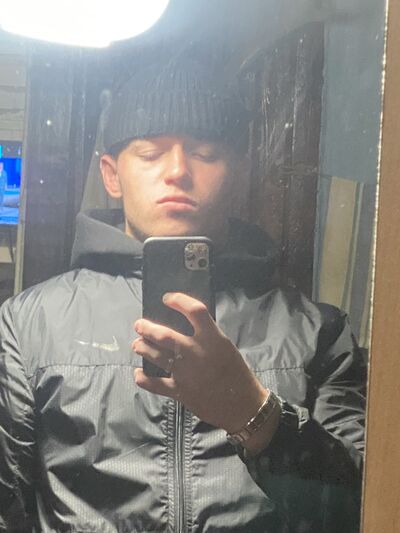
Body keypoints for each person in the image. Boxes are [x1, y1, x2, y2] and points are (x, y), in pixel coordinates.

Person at [0, 58, 365, 532]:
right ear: (111, 175)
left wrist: (254, 414)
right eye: (151, 153)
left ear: (238, 174)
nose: (177, 171)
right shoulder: (30, 324)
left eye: (205, 153)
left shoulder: (316, 331)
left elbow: (356, 511)